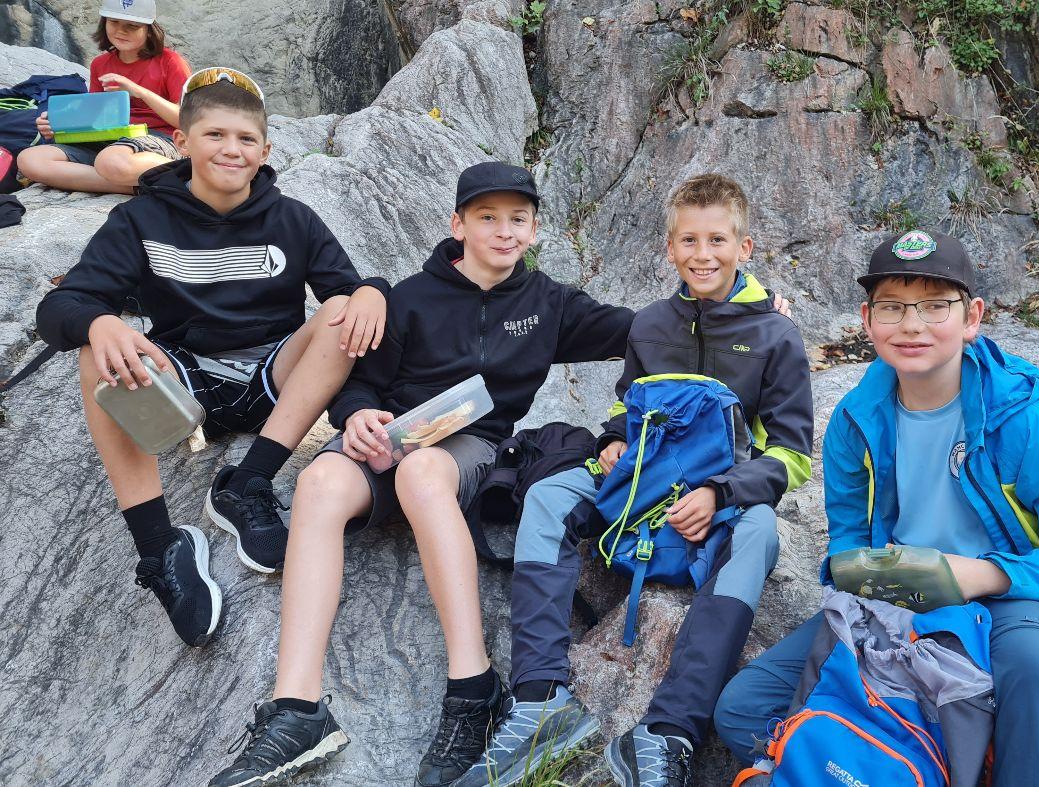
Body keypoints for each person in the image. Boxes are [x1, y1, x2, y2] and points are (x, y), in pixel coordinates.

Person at [206, 162, 641, 787]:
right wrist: (356, 417)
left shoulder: (551, 304)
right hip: (389, 439)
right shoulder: (411, 297)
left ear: (535, 230)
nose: (504, 231)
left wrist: (748, 306)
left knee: (423, 474)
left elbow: (648, 330)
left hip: (469, 448)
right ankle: (297, 709)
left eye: (518, 219)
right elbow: (359, 381)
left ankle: (473, 686)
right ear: (457, 225)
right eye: (487, 218)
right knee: (318, 485)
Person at [712, 230, 1039, 785]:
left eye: (935, 306)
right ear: (867, 320)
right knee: (745, 708)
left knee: (1034, 668)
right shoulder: (855, 423)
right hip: (901, 594)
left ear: (972, 317)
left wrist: (982, 574)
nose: (912, 325)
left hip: (1014, 597)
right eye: (892, 306)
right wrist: (859, 578)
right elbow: (848, 537)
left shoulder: (1027, 422)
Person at [466, 174, 815, 787]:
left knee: (760, 533)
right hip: (641, 481)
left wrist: (722, 493)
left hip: (724, 495)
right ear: (670, 247)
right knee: (548, 494)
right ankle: (540, 699)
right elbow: (627, 404)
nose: (702, 254)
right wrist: (611, 440)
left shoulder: (775, 335)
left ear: (744, 247)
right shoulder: (651, 325)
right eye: (689, 240)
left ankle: (668, 733)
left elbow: (792, 456)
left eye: (717, 240)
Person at [34, 68, 389, 648]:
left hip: (273, 381)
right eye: (215, 135)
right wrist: (100, 322)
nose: (231, 149)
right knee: (96, 353)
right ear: (182, 141)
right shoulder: (140, 219)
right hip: (184, 384)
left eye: (246, 139)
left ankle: (247, 483)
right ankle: (161, 548)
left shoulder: (293, 218)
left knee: (342, 311)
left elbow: (345, 288)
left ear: (265, 151)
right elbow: (60, 307)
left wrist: (373, 291)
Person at [17, 0, 191, 194]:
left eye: (132, 26)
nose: (121, 31)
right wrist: (58, 123)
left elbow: (187, 121)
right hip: (110, 141)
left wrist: (138, 91)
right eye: (114, 22)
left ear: (149, 30)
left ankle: (180, 173)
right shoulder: (100, 64)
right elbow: (96, 118)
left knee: (111, 160)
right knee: (29, 159)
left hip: (158, 139)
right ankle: (137, 186)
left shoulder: (170, 62)